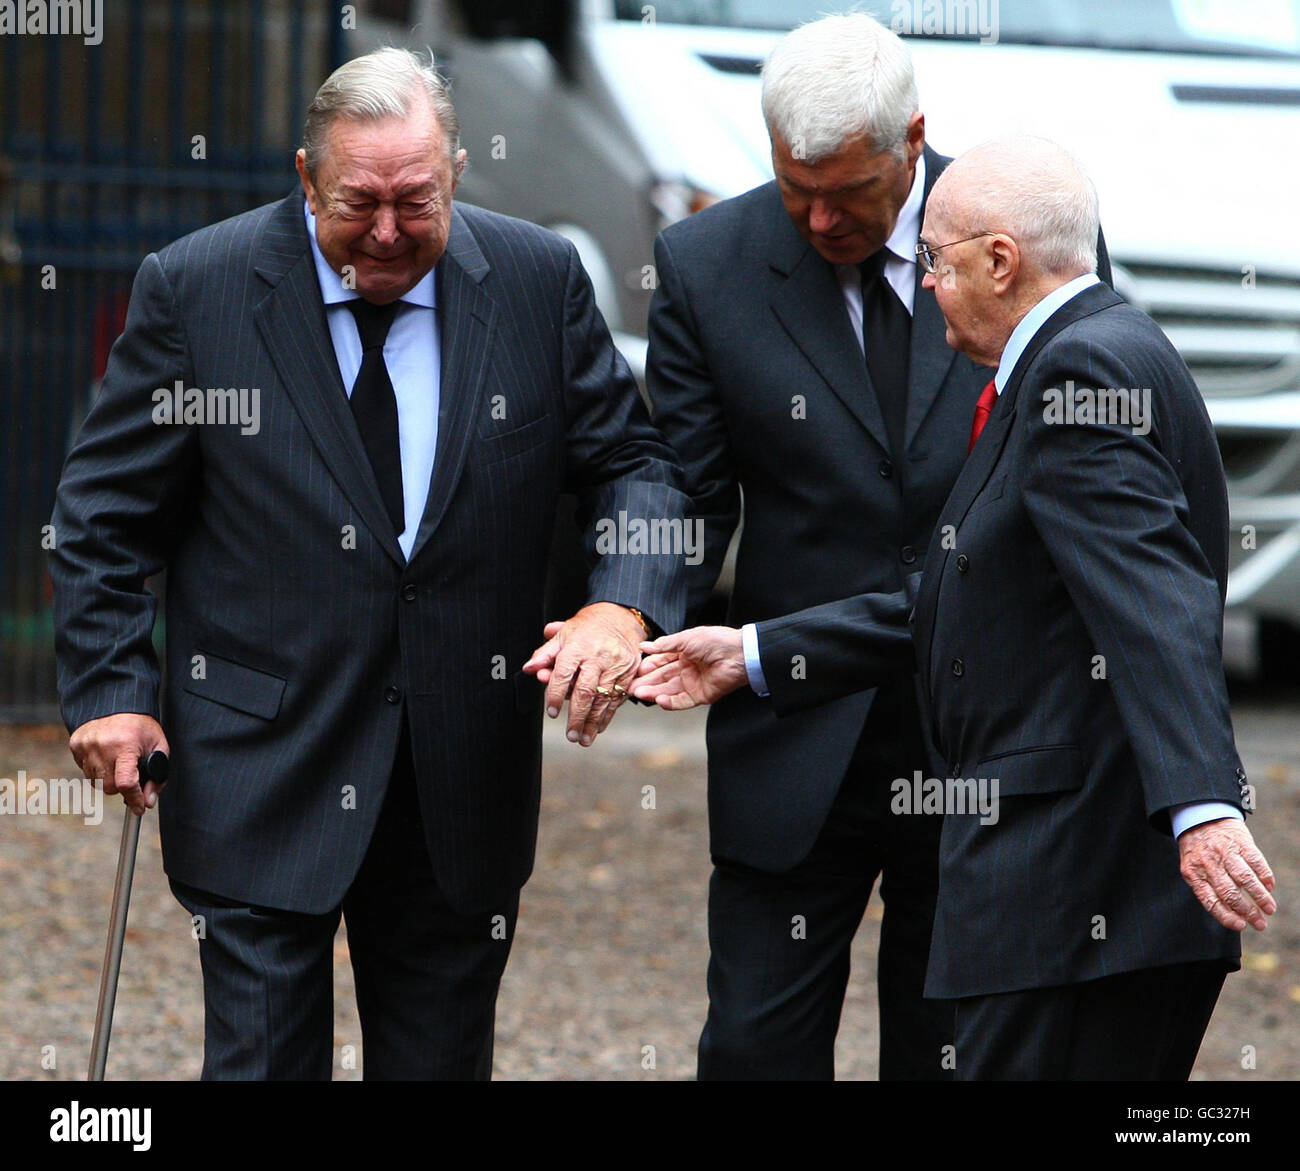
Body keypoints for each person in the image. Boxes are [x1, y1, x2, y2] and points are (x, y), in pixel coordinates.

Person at [49, 47, 688, 1080]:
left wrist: (621, 607)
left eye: (416, 201)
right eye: (358, 202)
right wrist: (114, 690)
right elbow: (104, 513)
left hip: (459, 778)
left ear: (458, 175)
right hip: (259, 761)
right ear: (305, 178)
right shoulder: (197, 289)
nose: (388, 232)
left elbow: (635, 467)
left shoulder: (536, 282)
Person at [634, 134, 1277, 1080]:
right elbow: (964, 597)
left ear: (1001, 261)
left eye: (933, 260)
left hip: (1072, 898)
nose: (924, 282)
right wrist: (757, 651)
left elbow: (1158, 601)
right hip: (1076, 909)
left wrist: (1202, 804)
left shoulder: (1078, 372)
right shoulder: (1095, 348)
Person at [643, 12, 1109, 1080]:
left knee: (949, 1054)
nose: (816, 218)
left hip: (981, 738)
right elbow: (682, 488)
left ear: (912, 140)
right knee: (755, 1051)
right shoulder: (706, 264)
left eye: (846, 192)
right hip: (792, 731)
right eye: (792, 183)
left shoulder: (1025, 230)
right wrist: (629, 607)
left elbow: (1068, 474)